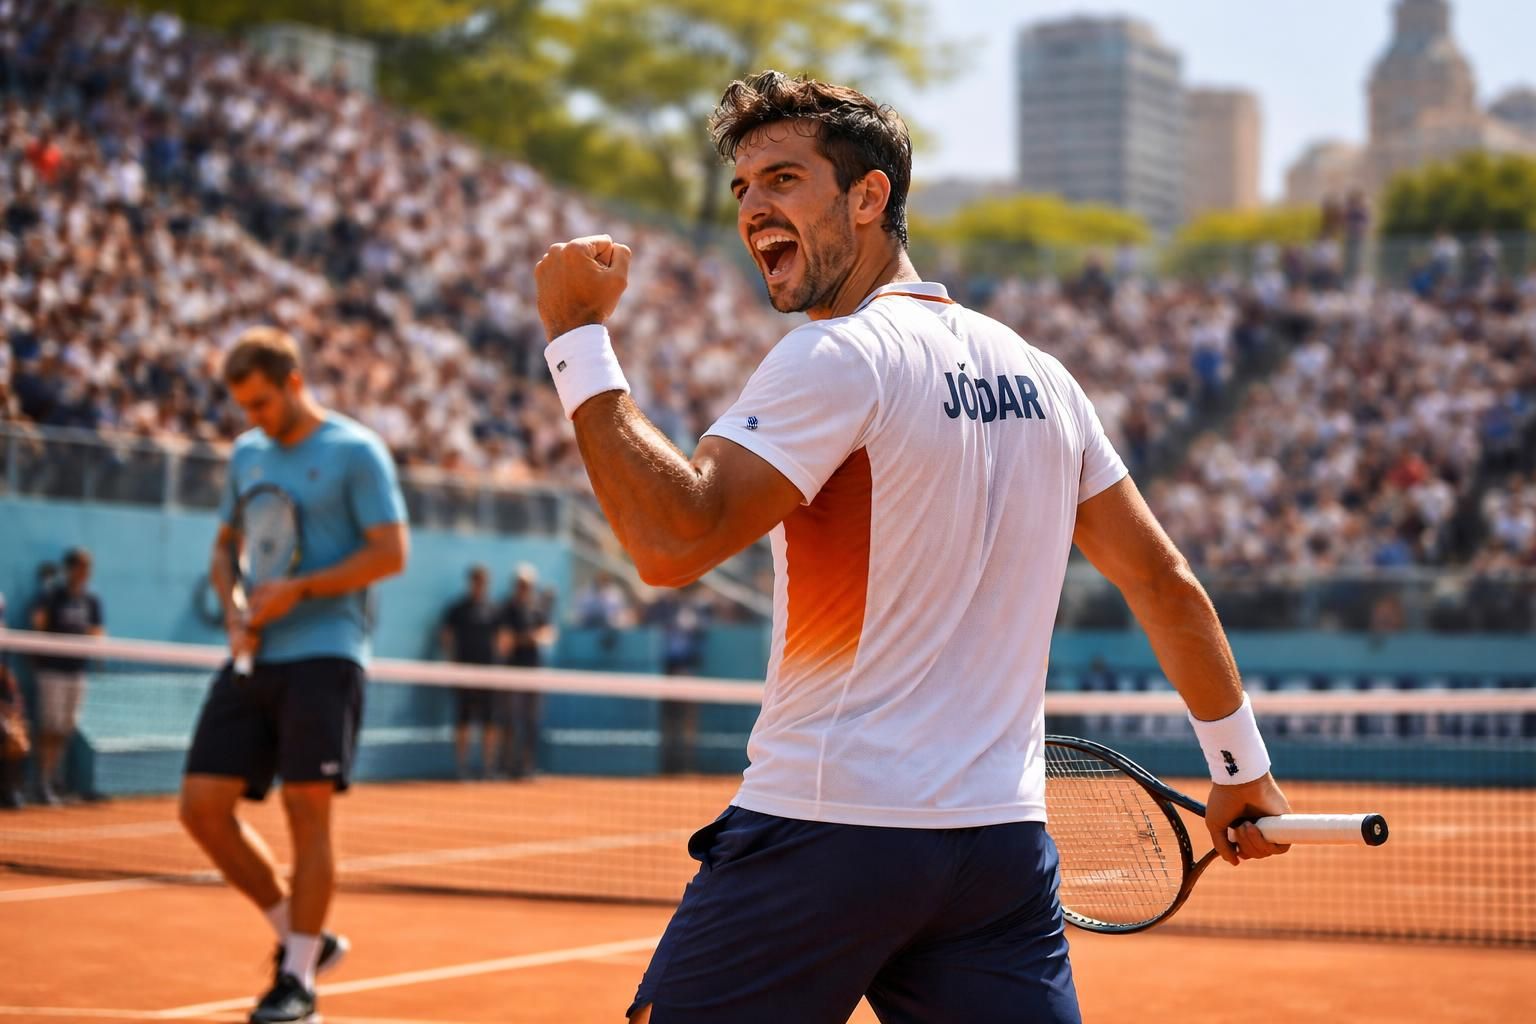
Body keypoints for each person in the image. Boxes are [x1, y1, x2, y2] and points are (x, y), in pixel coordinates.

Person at [534, 71, 1292, 1024]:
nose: (754, 207)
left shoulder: (839, 354)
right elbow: (1161, 578)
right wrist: (1238, 766)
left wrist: (576, 338)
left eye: (783, 179)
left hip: (824, 834)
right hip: (997, 858)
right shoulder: (1046, 378)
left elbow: (671, 540)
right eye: (744, 189)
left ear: (869, 195)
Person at [177, 326, 409, 1024]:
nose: (253, 419)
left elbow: (390, 553)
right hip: (254, 653)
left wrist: (302, 589)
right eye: (244, 406)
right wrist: (234, 602)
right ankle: (301, 938)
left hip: (327, 653)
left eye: (262, 403)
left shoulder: (356, 451)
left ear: (295, 384)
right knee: (201, 808)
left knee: (306, 813)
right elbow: (226, 548)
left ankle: (298, 982)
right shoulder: (247, 454)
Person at [29, 547, 104, 805]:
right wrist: (47, 597)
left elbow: (98, 632)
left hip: (77, 672)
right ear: (70, 569)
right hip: (52, 672)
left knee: (65, 728)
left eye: (88, 569)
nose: (85, 574)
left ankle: (55, 779)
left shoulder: (91, 600)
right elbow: (37, 624)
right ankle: (42, 781)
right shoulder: (52, 595)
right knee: (50, 727)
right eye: (80, 568)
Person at [438, 564, 510, 780]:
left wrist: (499, 665)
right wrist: (453, 663)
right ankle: (462, 768)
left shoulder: (495, 609)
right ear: (470, 583)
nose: (479, 585)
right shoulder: (457, 609)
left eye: (483, 581)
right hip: (463, 675)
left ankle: (488, 768)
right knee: (463, 721)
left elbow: (504, 638)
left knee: (490, 722)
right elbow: (446, 636)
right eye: (476, 581)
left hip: (489, 676)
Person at [498, 563, 554, 779]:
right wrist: (529, 638)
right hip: (512, 674)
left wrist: (527, 639)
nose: (523, 588)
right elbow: (505, 641)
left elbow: (548, 635)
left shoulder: (538, 609)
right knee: (510, 721)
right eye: (520, 584)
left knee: (531, 722)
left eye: (527, 585)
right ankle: (506, 766)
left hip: (534, 674)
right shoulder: (506, 609)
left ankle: (527, 766)